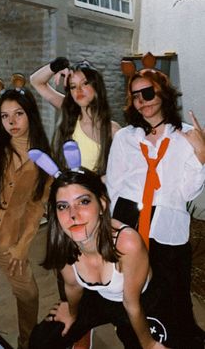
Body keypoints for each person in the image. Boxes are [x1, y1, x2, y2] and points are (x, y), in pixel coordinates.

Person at [28, 144, 174, 349]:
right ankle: (83, 338)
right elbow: (73, 286)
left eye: (84, 202)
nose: (73, 214)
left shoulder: (127, 243)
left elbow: (131, 304)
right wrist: (71, 314)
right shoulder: (63, 244)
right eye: (63, 206)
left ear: (102, 205)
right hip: (98, 299)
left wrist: (149, 344)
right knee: (43, 340)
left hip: (140, 301)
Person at [106, 68, 205, 348]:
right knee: (132, 284)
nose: (142, 101)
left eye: (148, 93)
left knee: (172, 289)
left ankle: (178, 339)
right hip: (128, 217)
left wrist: (200, 155)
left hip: (167, 221)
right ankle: (136, 337)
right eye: (136, 96)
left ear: (164, 94)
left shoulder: (186, 136)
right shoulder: (126, 137)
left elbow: (187, 192)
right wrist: (109, 229)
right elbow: (114, 184)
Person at [30, 57, 120, 348]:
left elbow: (119, 174)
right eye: (72, 86)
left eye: (85, 84)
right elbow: (36, 82)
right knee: (66, 272)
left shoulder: (113, 129)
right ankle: (72, 324)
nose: (79, 91)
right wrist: (60, 66)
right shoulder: (68, 112)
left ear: (96, 87)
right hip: (64, 209)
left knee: (91, 274)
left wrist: (92, 184)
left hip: (91, 211)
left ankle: (84, 332)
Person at [0, 75, 52, 349]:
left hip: (5, 234)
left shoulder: (43, 159)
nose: (12, 122)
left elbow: (36, 206)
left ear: (31, 114)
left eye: (18, 114)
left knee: (27, 292)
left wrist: (22, 246)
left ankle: (27, 343)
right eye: (5, 116)